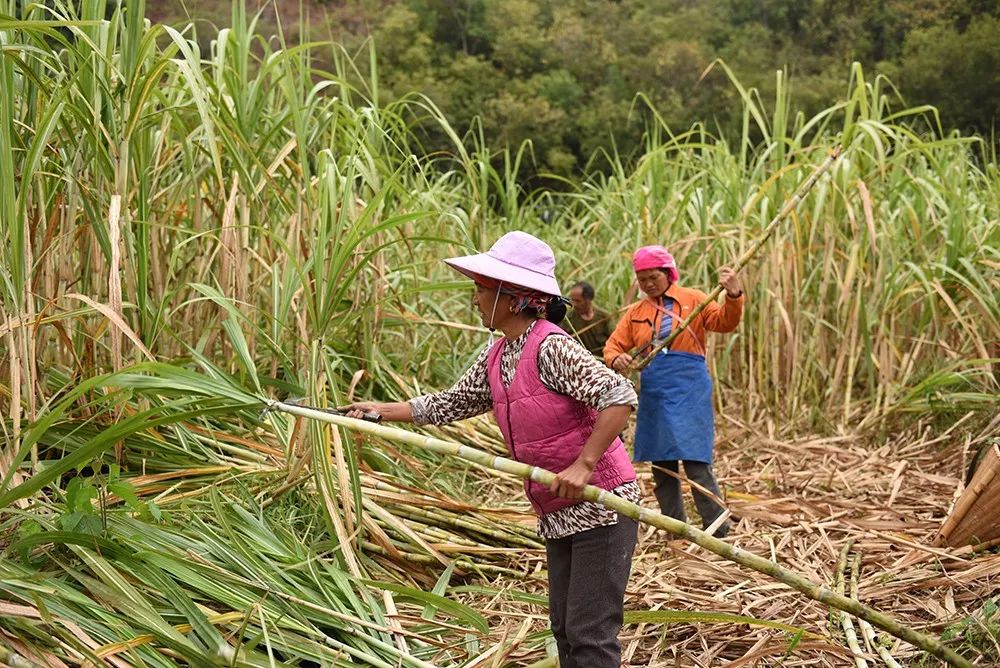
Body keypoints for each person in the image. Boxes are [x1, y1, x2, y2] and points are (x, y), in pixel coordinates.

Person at [343, 231, 640, 667]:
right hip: (558, 508)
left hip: (601, 501)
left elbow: (619, 396)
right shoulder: (500, 354)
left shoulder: (551, 346)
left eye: (482, 289)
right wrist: (380, 411)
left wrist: (583, 464)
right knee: (564, 630)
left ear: (513, 296)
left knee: (589, 633)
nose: (475, 299)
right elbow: (452, 402)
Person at [604, 245, 744, 538]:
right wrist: (617, 358)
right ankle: (675, 529)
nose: (648, 284)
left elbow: (725, 322)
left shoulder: (694, 299)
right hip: (655, 391)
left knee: (696, 460)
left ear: (668, 273)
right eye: (641, 279)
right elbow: (613, 346)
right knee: (662, 463)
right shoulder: (637, 313)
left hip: (690, 388)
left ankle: (718, 529)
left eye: (653, 277)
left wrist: (733, 295)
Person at [565, 281, 615, 356]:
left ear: (588, 300)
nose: (574, 304)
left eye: (578, 301)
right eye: (573, 300)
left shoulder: (604, 317)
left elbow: (614, 341)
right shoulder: (568, 319)